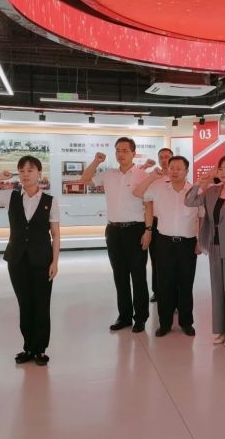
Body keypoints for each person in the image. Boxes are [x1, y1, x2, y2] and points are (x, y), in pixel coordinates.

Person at [0, 156, 60, 366]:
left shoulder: (50, 201)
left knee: (41, 304)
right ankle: (28, 347)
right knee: (25, 303)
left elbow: (56, 234)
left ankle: (40, 349)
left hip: (42, 259)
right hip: (17, 259)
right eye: (21, 170)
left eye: (30, 170)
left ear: (39, 173)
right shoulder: (9, 196)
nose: (25, 174)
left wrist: (55, 262)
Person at [81, 137, 152, 333]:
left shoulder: (142, 175)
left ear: (133, 153)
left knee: (138, 276)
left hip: (136, 229)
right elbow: (84, 179)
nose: (120, 154)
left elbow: (148, 206)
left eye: (125, 150)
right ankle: (124, 316)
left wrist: (148, 231)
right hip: (113, 230)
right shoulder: (109, 174)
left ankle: (141, 317)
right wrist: (96, 161)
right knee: (119, 275)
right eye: (118, 150)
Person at [185, 155, 225, 346]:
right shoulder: (212, 191)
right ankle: (221, 330)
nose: (222, 172)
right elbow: (189, 201)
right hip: (214, 246)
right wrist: (199, 183)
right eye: (220, 168)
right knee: (218, 290)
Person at [133, 156, 200, 337]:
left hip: (188, 243)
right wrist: (152, 177)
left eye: (179, 168)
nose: (174, 171)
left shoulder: (195, 191)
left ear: (186, 171)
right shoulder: (158, 187)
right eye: (172, 167)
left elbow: (201, 217)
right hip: (164, 242)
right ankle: (165, 323)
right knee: (164, 284)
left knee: (186, 283)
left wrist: (200, 240)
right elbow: (137, 193)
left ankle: (186, 322)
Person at [148, 147, 174, 303]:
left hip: (172, 222)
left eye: (167, 156)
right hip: (156, 221)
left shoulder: (178, 176)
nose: (164, 160)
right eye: (161, 157)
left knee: (172, 260)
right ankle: (157, 291)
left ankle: (172, 293)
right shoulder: (154, 178)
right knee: (156, 259)